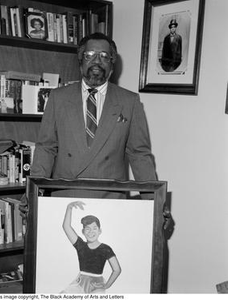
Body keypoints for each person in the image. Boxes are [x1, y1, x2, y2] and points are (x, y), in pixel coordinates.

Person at [29, 32, 157, 199]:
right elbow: (45, 148)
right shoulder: (58, 97)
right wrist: (32, 193)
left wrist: (154, 202)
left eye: (104, 56)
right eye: (89, 55)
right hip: (66, 196)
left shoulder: (129, 101)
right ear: (80, 60)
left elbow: (139, 155)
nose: (97, 61)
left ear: (112, 64)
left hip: (110, 200)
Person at [61, 201, 121, 294]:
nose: (91, 232)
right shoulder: (80, 245)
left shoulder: (106, 248)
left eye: (94, 228)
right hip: (80, 283)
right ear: (83, 231)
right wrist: (69, 208)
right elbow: (66, 227)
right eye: (87, 229)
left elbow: (117, 269)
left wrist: (107, 285)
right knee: (63, 295)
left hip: (97, 284)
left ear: (100, 231)